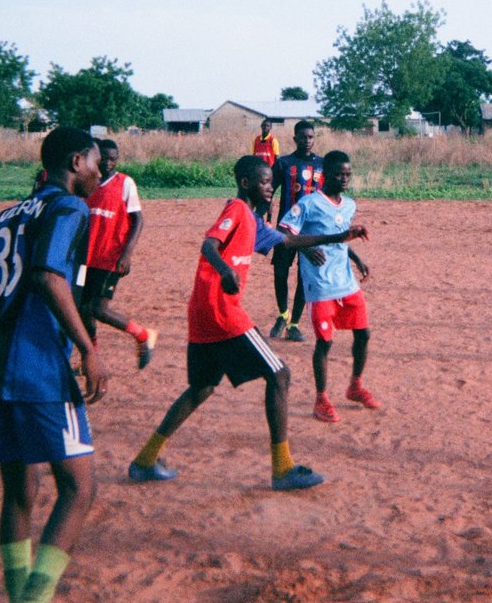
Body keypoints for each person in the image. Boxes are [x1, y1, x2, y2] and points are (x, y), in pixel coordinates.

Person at [127, 155, 365, 490]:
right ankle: (282, 468)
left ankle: (145, 459)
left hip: (202, 314)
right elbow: (209, 244)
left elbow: (288, 241)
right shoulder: (237, 210)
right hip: (222, 312)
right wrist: (224, 270)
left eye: (271, 182)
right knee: (280, 374)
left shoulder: (253, 221)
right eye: (265, 182)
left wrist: (338, 237)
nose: (271, 187)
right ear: (245, 183)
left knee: (202, 388)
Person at [0, 127, 108, 603]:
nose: (101, 173)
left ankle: (19, 597)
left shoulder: (10, 212)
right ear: (77, 161)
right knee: (79, 489)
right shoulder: (69, 207)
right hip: (38, 367)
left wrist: (6, 320)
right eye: (97, 163)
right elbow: (46, 275)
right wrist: (87, 348)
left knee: (21, 491)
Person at [278, 149, 380, 423]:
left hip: (345, 281)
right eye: (339, 174)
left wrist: (357, 258)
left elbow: (340, 238)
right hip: (321, 284)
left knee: (364, 334)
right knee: (325, 342)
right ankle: (321, 398)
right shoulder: (309, 203)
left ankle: (355, 385)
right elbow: (285, 231)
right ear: (325, 175)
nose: (344, 179)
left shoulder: (348, 205)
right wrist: (307, 250)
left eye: (348, 174)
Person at [81, 139, 157, 370]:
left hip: (110, 257)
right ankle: (91, 357)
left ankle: (143, 334)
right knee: (82, 309)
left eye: (114, 158)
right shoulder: (87, 184)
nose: (109, 162)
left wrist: (127, 254)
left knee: (99, 309)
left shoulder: (125, 183)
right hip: (86, 257)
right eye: (104, 158)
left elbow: (138, 220)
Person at [268, 120, 323, 341]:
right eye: (302, 137)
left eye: (310, 137)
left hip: (311, 231)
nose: (307, 141)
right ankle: (283, 313)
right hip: (286, 230)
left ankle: (294, 324)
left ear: (314, 138)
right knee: (280, 272)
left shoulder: (322, 165)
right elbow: (268, 189)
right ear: (295, 139)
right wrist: (261, 213)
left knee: (304, 276)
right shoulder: (284, 164)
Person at [251, 120, 280, 220]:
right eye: (263, 126)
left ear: (270, 127)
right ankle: (259, 217)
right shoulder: (256, 140)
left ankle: (269, 218)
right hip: (258, 172)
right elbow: (254, 155)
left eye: (267, 126)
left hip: (269, 173)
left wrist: (273, 172)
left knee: (268, 195)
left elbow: (276, 158)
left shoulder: (273, 140)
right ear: (261, 126)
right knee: (259, 194)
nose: (265, 128)